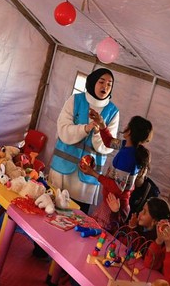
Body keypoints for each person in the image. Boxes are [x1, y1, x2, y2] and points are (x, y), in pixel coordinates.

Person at [49, 68, 119, 214]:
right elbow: (62, 129)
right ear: (93, 82)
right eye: (101, 82)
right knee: (50, 210)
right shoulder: (75, 100)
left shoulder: (113, 112)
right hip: (62, 169)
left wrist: (99, 129)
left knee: (75, 218)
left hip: (87, 178)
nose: (105, 87)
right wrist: (85, 128)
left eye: (109, 84)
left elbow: (108, 146)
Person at [80, 115, 153, 231]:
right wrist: (102, 124)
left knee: (98, 239)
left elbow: (117, 188)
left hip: (114, 207)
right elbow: (109, 142)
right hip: (112, 203)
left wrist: (93, 173)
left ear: (130, 131)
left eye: (128, 125)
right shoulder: (126, 146)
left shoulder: (127, 157)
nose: (125, 126)